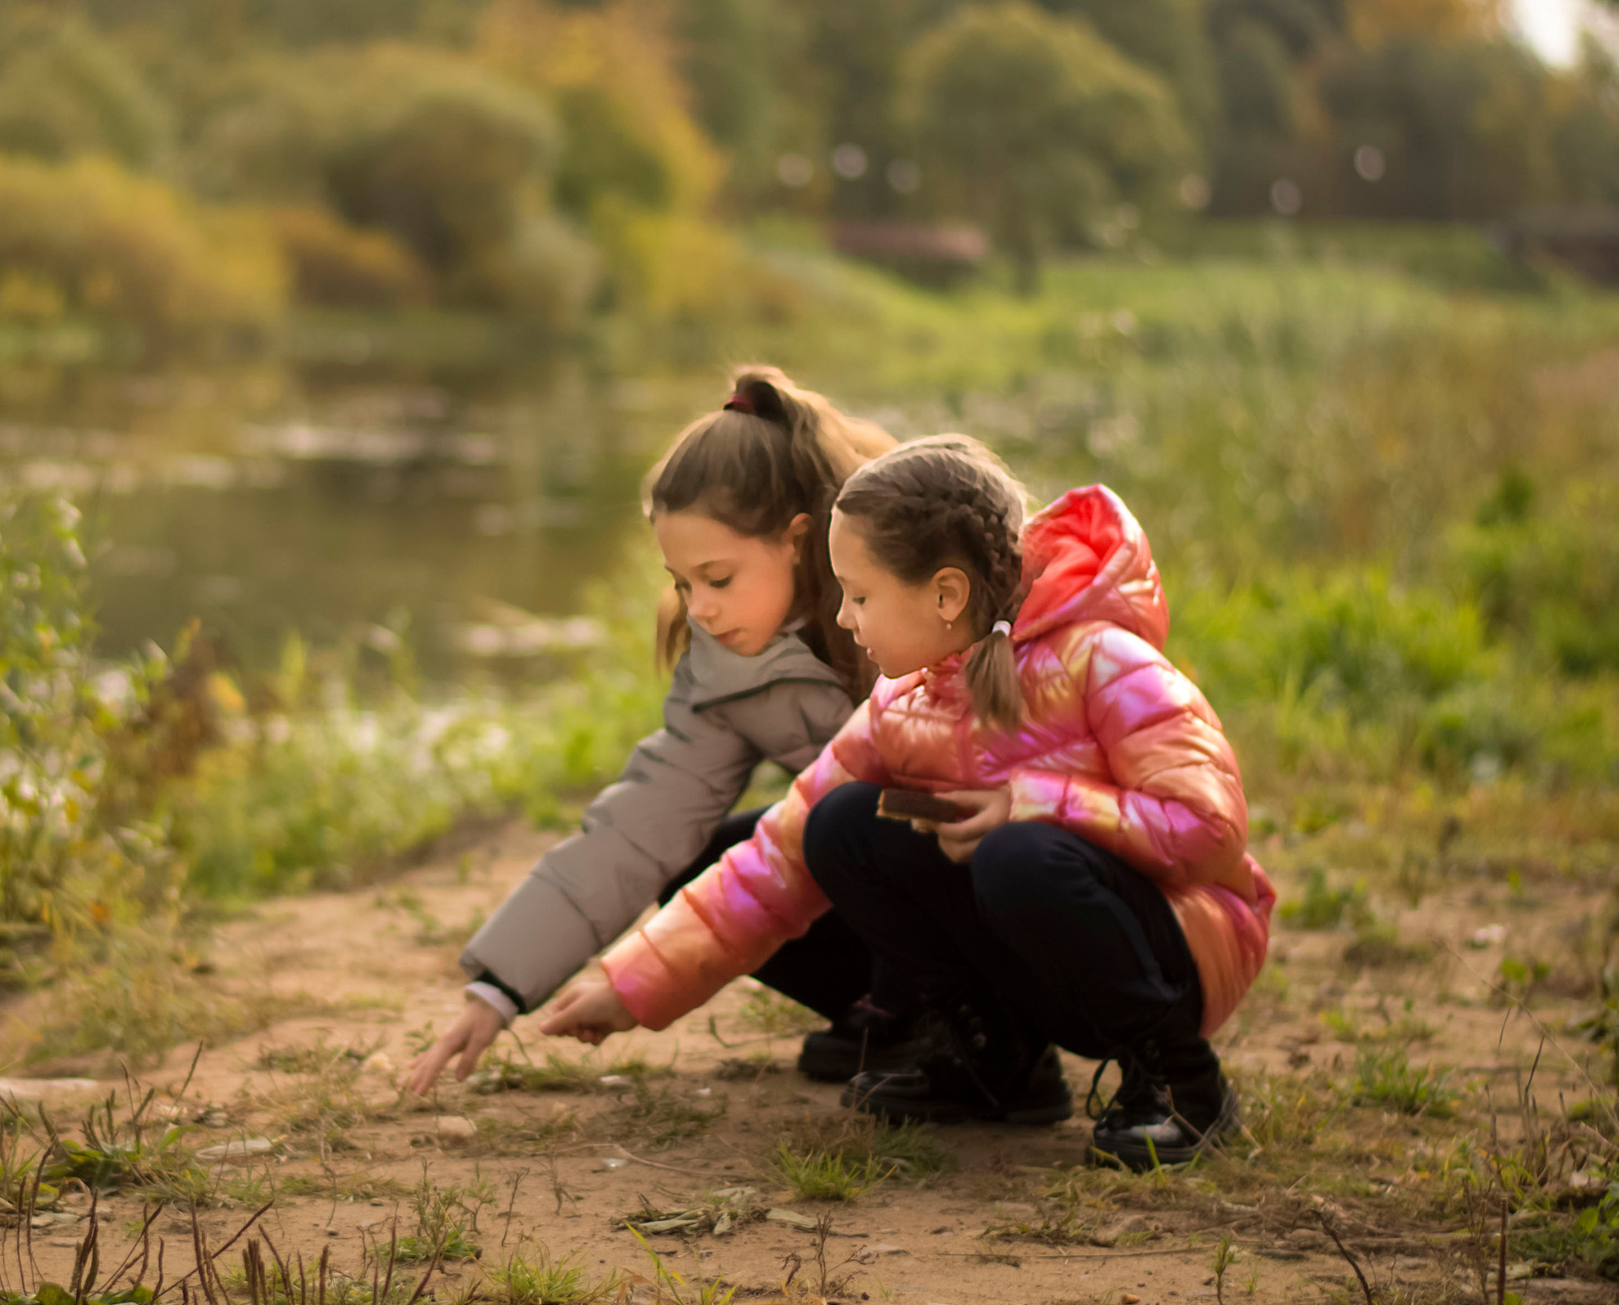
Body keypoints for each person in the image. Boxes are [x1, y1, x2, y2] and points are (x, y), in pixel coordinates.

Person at [529, 435, 1273, 1170]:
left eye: (859, 595)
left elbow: (1210, 831)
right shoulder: (903, 700)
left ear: (946, 594)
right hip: (1043, 951)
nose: (843, 619)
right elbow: (777, 855)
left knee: (1018, 854)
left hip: (1176, 949)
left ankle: (1180, 1082)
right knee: (843, 824)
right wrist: (631, 989)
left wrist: (1032, 802)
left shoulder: (1104, 661)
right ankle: (995, 1060)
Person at [401, 365, 898, 1098]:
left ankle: (981, 1023)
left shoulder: (913, 595)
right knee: (708, 852)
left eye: (718, 579)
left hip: (990, 857)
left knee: (847, 817)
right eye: (681, 582)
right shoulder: (725, 665)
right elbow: (638, 827)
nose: (699, 608)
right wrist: (498, 989)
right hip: (878, 850)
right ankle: (895, 1014)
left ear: (797, 540)